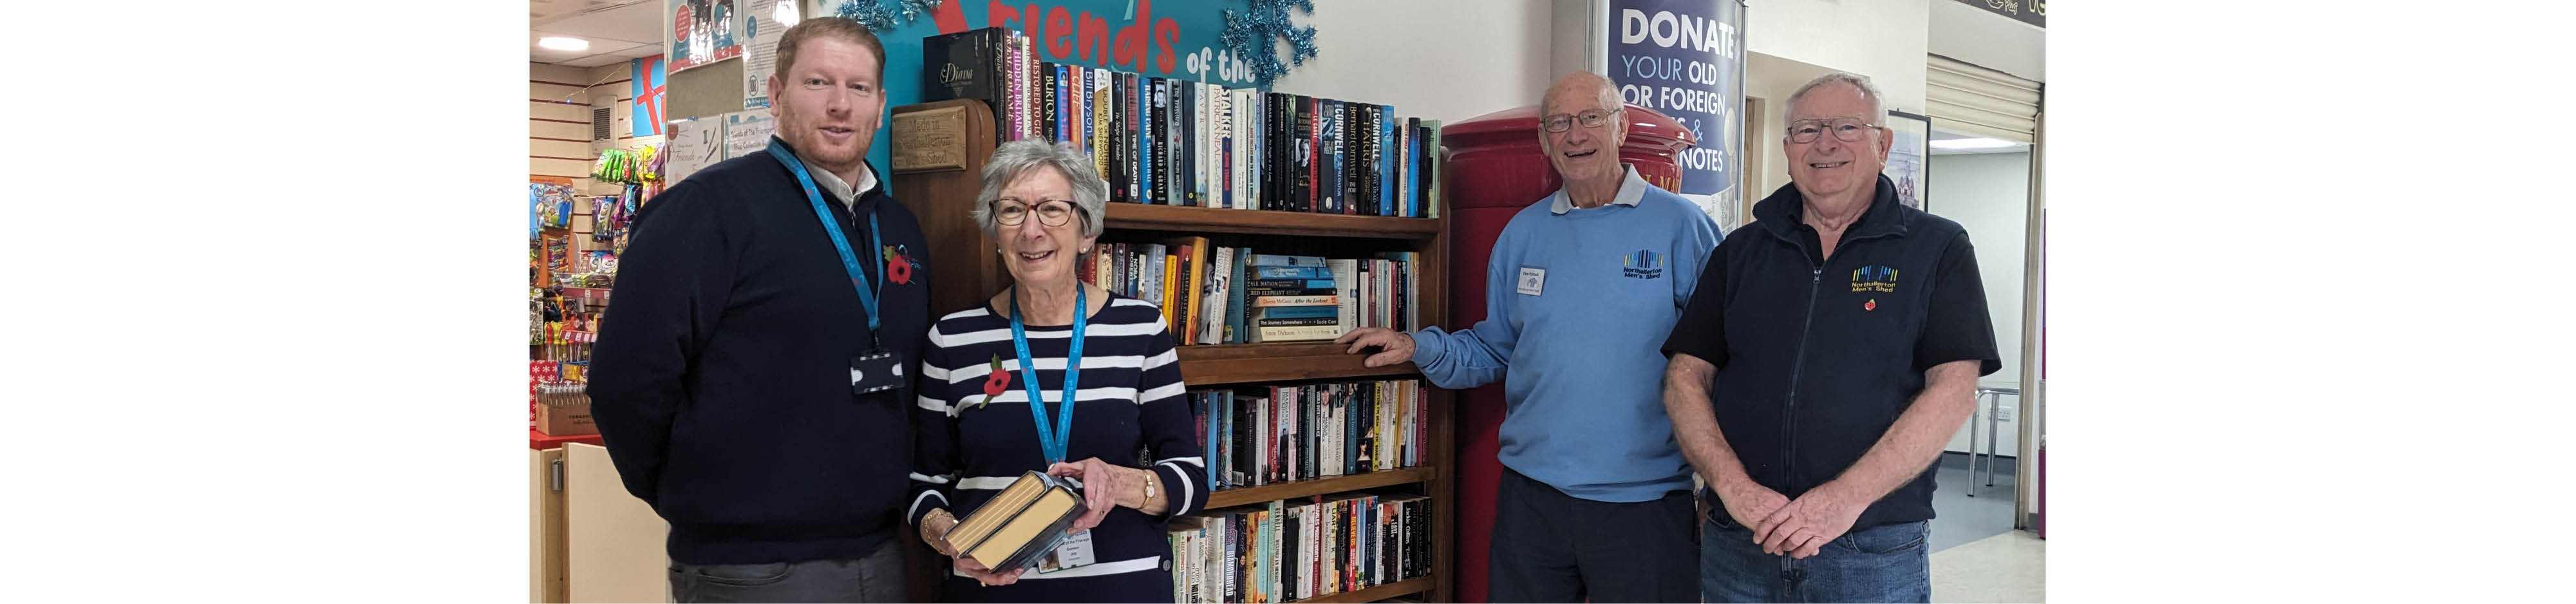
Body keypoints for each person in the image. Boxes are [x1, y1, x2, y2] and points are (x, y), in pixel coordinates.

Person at [1334, 71, 1722, 603]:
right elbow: (1496, 348)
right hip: (1532, 502)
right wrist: (1418, 346)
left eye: (1590, 118)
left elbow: (1720, 364)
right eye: (1559, 123)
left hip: (1644, 505)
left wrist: (1718, 488)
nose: (1575, 135)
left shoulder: (1683, 227)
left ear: (1621, 126)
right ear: (1544, 140)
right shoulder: (1523, 232)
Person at [588, 17, 930, 603]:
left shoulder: (896, 226)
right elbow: (625, 383)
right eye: (819, 83)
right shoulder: (704, 212)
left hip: (880, 553)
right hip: (747, 570)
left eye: (859, 88)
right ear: (776, 95)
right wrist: (692, 493)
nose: (840, 105)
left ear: (880, 103)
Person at [1660, 71, 2001, 603]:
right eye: (1807, 130)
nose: (1825, 143)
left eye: (1847, 126)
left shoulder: (1937, 249)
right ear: (1787, 148)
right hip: (1742, 544)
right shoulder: (1741, 252)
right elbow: (1685, 375)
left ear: (1881, 145)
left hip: (1870, 551)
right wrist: (1732, 488)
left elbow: (1954, 390)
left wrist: (1844, 500)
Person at [907, 140, 1208, 603]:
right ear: (995, 230)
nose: (1031, 230)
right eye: (1012, 210)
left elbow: (1190, 482)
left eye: (1051, 209)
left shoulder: (1142, 329)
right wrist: (950, 538)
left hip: (1122, 592)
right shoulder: (952, 340)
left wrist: (1118, 483)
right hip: (992, 593)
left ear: (1086, 232)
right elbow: (924, 489)